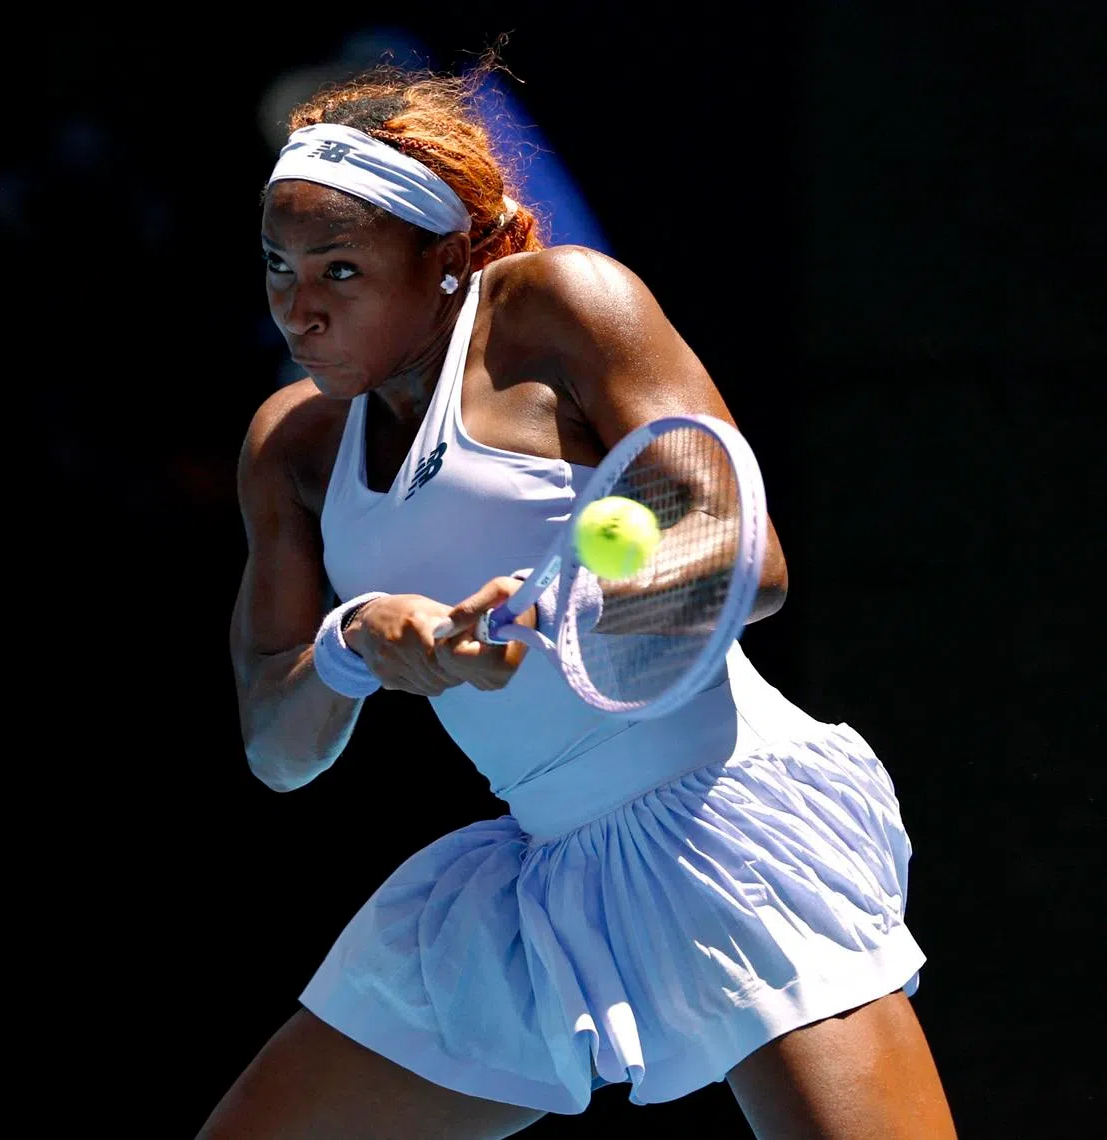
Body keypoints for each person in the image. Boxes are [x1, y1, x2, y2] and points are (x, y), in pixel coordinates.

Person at [197, 56, 958, 1139]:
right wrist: (359, 645)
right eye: (279, 267)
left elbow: (751, 558)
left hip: (725, 820)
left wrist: (567, 615)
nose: (299, 311)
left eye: (341, 271)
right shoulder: (291, 446)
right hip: (535, 882)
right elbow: (278, 747)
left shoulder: (558, 305)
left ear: (448, 260)